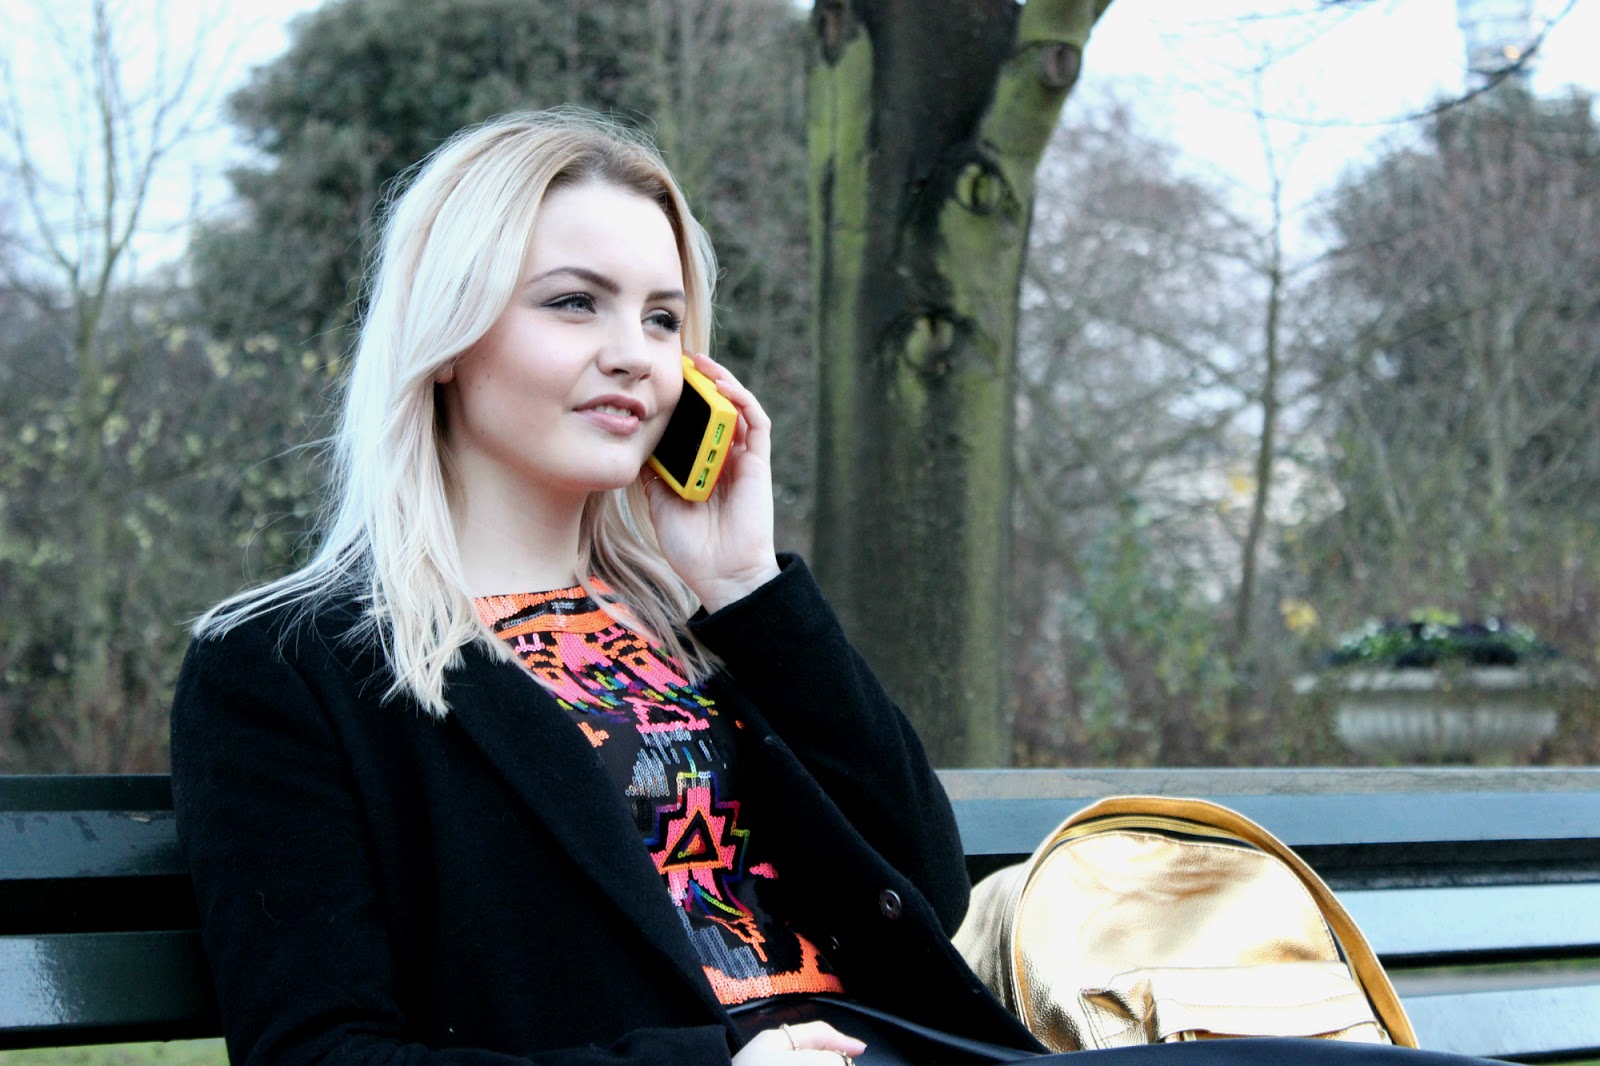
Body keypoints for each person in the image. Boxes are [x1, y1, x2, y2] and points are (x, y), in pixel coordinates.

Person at [172, 109, 1497, 1066]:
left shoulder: (692, 625)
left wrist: (747, 588)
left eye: (664, 316)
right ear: (449, 332)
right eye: (574, 303)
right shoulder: (291, 668)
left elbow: (922, 881)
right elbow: (322, 1053)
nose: (635, 355)